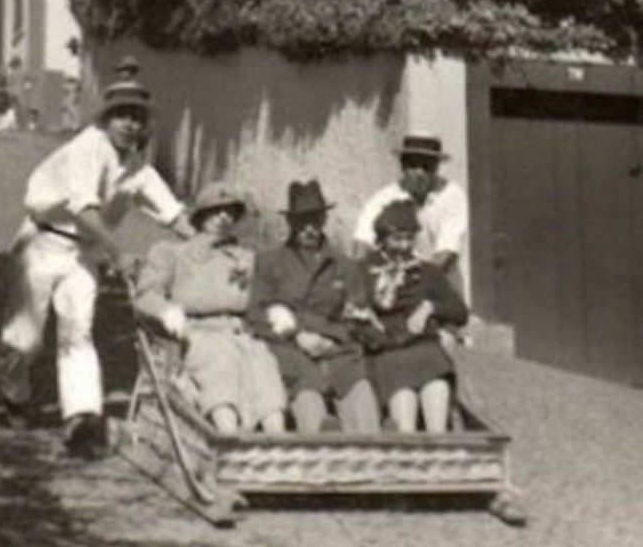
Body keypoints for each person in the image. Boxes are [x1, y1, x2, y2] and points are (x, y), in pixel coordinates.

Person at [0, 81, 194, 458]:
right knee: (26, 335)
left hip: (82, 254)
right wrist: (118, 253)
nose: (129, 124)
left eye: (137, 118)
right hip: (42, 242)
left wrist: (212, 241)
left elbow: (174, 215)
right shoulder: (89, 146)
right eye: (121, 115)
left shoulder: (138, 169)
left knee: (78, 331)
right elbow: (83, 210)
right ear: (106, 118)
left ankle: (81, 417)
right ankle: (14, 394)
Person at [134, 183, 286, 435]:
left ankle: (276, 440)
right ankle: (227, 434)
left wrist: (275, 310)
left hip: (241, 333)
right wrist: (167, 312)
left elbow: (262, 297)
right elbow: (146, 294)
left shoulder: (245, 257)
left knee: (263, 361)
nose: (224, 217)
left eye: (230, 212)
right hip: (195, 333)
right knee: (219, 356)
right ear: (201, 216)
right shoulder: (172, 253)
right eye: (216, 211)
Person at [248, 181, 381, 434]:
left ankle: (376, 452)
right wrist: (296, 333)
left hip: (338, 351)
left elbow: (358, 317)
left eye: (315, 220)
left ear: (324, 219)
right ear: (290, 223)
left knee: (360, 393)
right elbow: (256, 315)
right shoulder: (270, 262)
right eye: (302, 221)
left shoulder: (344, 265)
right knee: (309, 397)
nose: (309, 228)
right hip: (291, 349)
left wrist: (333, 339)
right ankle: (321, 449)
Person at [346, 200, 469, 434]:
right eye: (397, 239)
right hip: (386, 350)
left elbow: (460, 312)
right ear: (381, 239)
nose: (404, 246)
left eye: (409, 238)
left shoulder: (426, 271)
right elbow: (353, 317)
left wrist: (430, 307)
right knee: (403, 396)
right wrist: (382, 337)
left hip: (423, 348)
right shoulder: (363, 271)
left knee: (437, 386)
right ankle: (408, 454)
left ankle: (439, 450)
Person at [353, 133, 468, 276]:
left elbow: (447, 253)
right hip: (391, 286)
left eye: (427, 167)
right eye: (413, 165)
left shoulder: (452, 196)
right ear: (403, 166)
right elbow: (362, 244)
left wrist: (415, 283)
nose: (419, 172)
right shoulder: (383, 198)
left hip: (439, 283)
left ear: (437, 167)